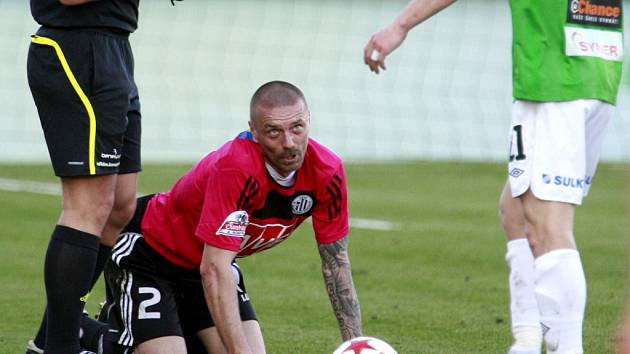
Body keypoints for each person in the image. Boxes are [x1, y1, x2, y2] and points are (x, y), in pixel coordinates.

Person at [363, 1, 624, 354]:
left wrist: (400, 25)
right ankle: (528, 341)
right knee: (515, 209)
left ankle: (567, 348)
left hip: (553, 78)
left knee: (549, 225)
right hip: (597, 68)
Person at [98, 81, 362, 353]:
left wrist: (355, 344)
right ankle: (92, 334)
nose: (289, 143)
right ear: (254, 132)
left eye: (297, 127)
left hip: (205, 264)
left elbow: (336, 263)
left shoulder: (327, 172)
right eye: (274, 132)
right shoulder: (237, 168)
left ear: (309, 121)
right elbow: (214, 268)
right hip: (150, 253)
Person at [26, 0, 148, 353]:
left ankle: (47, 340)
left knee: (119, 208)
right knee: (87, 207)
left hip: (115, 48)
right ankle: (62, 347)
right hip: (76, 51)